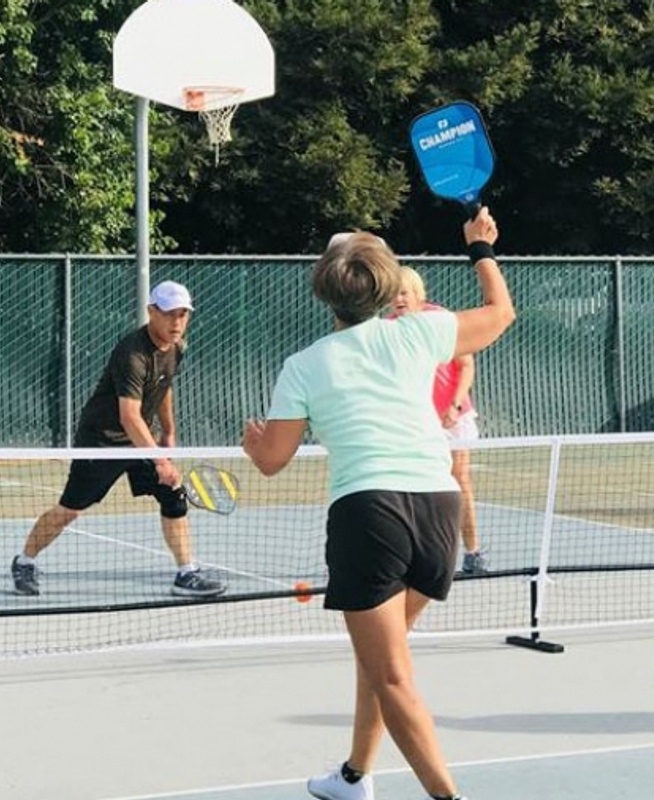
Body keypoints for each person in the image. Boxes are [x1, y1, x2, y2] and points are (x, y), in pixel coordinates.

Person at [242, 209, 514, 800]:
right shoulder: (417, 332)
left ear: (326, 292)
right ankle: (353, 776)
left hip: (371, 517)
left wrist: (254, 441)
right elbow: (500, 316)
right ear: (388, 285)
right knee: (380, 659)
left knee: (392, 676)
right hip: (439, 511)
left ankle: (449, 796)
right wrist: (481, 249)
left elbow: (272, 461)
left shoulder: (304, 365)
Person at [10, 281, 226, 598]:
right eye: (169, 314)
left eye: (183, 314)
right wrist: (161, 460)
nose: (177, 322)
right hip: (101, 440)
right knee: (70, 510)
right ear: (151, 312)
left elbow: (164, 386)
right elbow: (129, 416)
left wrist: (168, 432)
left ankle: (186, 573)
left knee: (173, 496)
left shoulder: (176, 346)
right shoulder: (132, 354)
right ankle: (24, 561)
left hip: (140, 439)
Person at [390, 267, 486, 574]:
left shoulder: (441, 320)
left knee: (459, 480)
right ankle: (413, 553)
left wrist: (454, 405)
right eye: (393, 293)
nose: (398, 299)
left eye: (404, 292)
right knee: (412, 485)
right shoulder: (386, 329)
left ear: (419, 295)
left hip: (454, 418)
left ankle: (473, 553)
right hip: (418, 421)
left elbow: (466, 365)